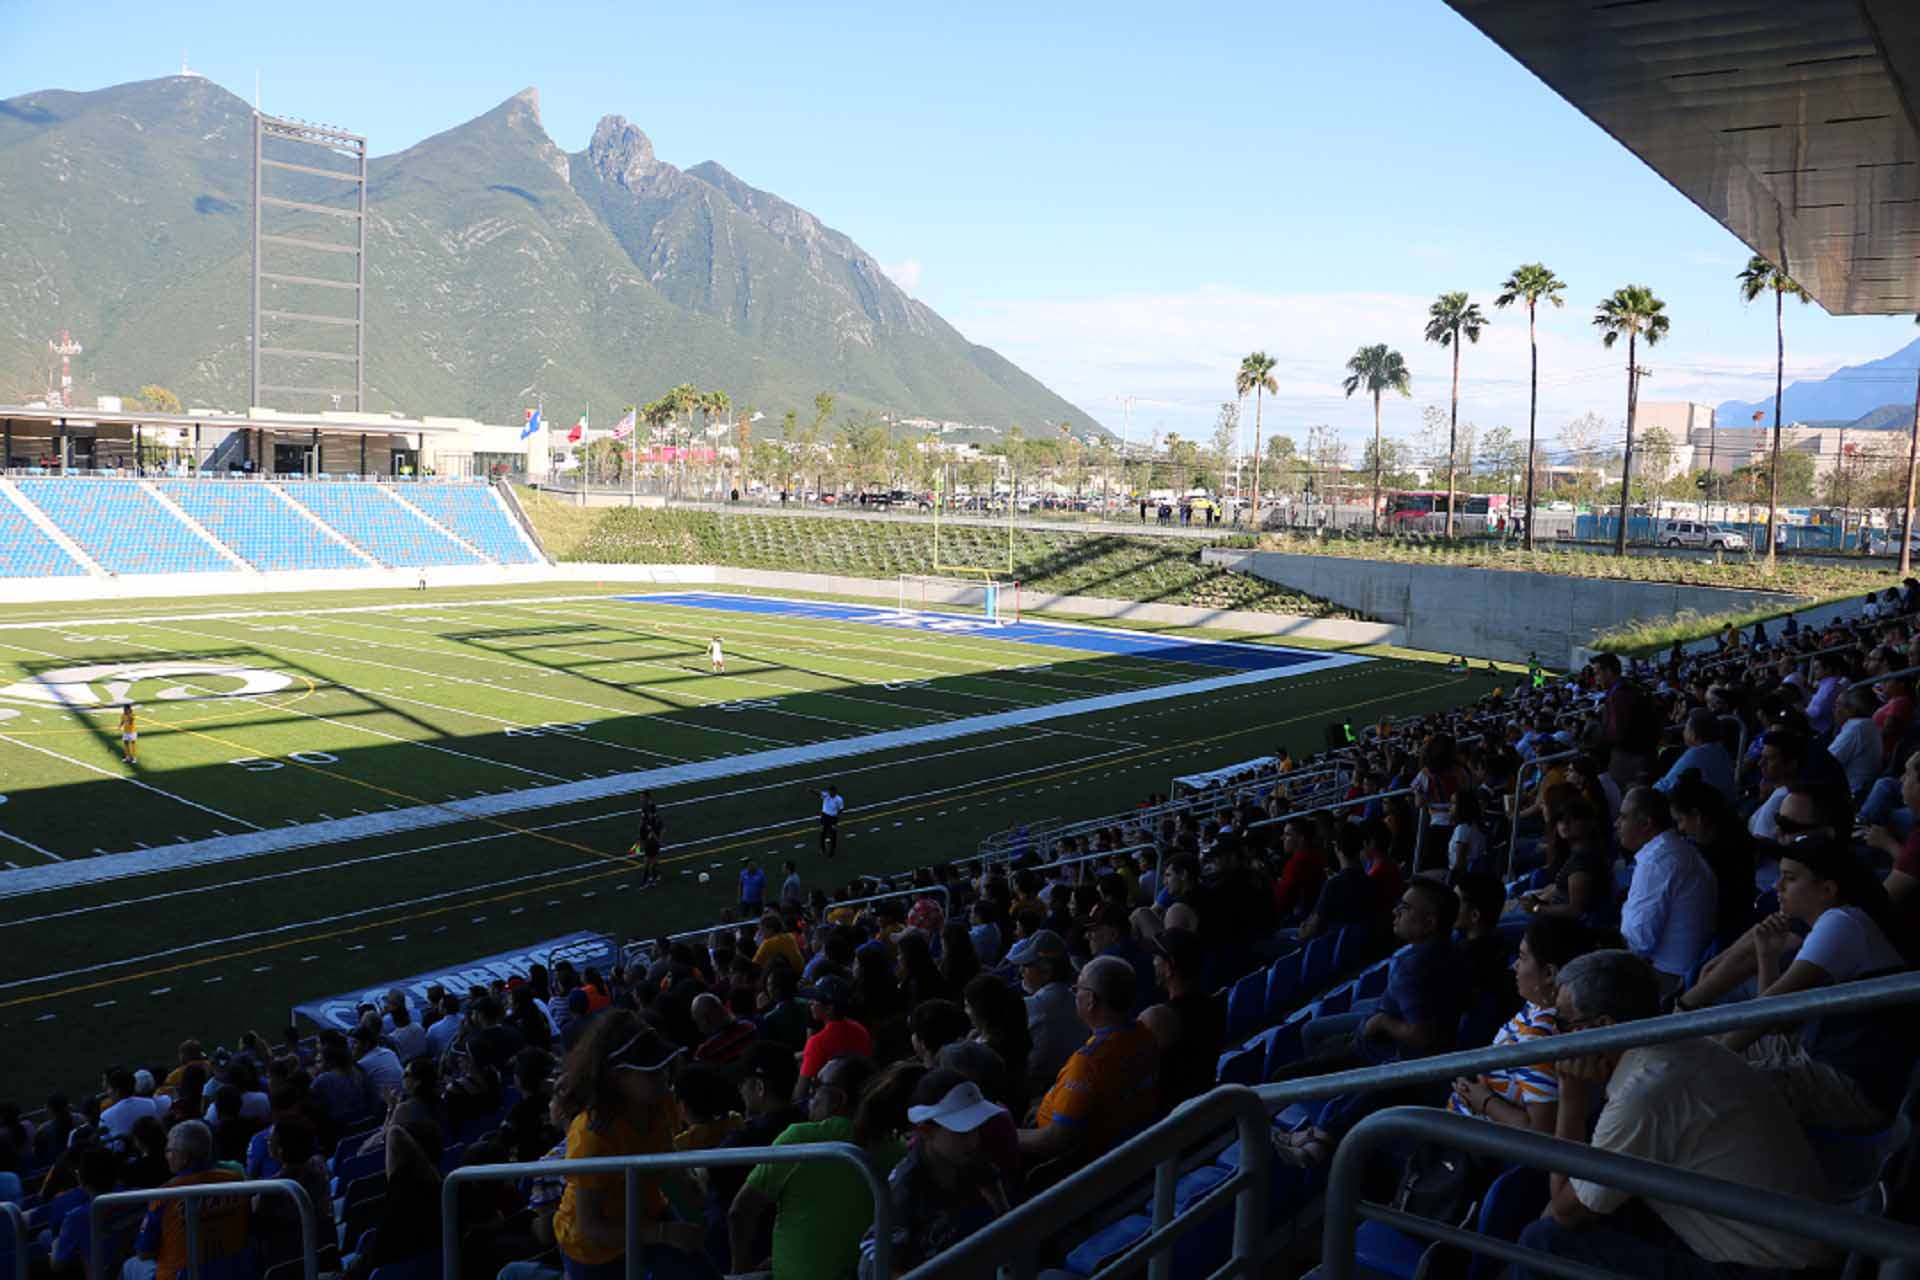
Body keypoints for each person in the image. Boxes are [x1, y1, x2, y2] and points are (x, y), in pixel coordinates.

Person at [1518, 951, 1834, 1279]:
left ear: (1603, 1027)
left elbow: (1565, 1211)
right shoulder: (1683, 1044)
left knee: (1543, 1241)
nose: (1557, 1038)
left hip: (1771, 1269)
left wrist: (1571, 1095)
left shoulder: (1642, 1094)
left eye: (1564, 1024)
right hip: (1806, 1241)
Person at [550, 1014, 707, 1280]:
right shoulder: (592, 1135)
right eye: (651, 1070)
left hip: (648, 1213)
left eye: (664, 1066)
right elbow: (590, 1226)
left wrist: (694, 1192)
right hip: (593, 1249)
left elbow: (668, 1161)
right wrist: (663, 1233)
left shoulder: (662, 1102)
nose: (664, 1075)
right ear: (617, 1077)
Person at [730, 1054, 899, 1280]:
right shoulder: (897, 1148)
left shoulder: (802, 1140)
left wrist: (740, 1271)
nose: (810, 1095)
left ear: (838, 1099)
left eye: (817, 1087)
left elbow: (740, 1212)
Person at [859, 1071, 1013, 1280]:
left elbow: (1005, 1217)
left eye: (976, 1128)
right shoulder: (905, 1187)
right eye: (962, 1131)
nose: (974, 1140)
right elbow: (875, 1255)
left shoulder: (971, 1159)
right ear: (926, 1131)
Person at [1018, 956, 1160, 1181]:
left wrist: (1007, 1135)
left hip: (1077, 1168)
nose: (1075, 993)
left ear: (1091, 1000)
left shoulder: (1090, 1063)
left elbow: (1055, 1140)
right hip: (1127, 1148)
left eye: (1078, 989)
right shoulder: (1144, 1035)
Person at [1448, 916, 1593, 1133]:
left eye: (1523, 957)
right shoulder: (1537, 1006)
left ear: (1548, 974)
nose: (1515, 964)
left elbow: (1539, 1130)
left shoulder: (1538, 1036)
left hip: (1472, 1142)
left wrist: (1484, 1100)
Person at [1615, 786, 1717, 995]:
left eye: (1623, 817)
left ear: (1645, 824)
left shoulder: (1657, 862)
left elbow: (1638, 942)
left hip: (1668, 978)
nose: (1617, 824)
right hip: (1687, 968)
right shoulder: (1679, 849)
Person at [124, 1120, 248, 1280]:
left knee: (130, 1265)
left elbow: (144, 1252)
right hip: (233, 1271)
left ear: (184, 1157)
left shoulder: (165, 1195)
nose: (166, 1155)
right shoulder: (236, 1181)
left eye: (169, 1150)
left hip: (182, 1275)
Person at [1138, 928, 1226, 1109]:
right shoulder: (1214, 1005)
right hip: (1201, 1108)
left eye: (1157, 957)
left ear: (1170, 968)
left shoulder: (1158, 1018)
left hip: (1170, 1120)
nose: (1153, 962)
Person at [1006, 930, 1085, 1101]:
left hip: (1035, 1094)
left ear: (1046, 970)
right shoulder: (1077, 1000)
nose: (1021, 972)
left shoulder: (1034, 1005)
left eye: (1026, 966)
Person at [795, 976, 874, 1101]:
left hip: (829, 1106)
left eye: (815, 1000)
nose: (810, 1003)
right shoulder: (861, 1030)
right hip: (860, 1099)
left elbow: (800, 1093)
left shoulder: (817, 1042)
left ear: (829, 1009)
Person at [632, 792, 665, 888]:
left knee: (648, 861)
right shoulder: (647, 814)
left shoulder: (653, 821)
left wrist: (658, 840)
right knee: (651, 860)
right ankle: (655, 876)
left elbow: (657, 830)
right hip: (648, 839)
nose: (640, 799)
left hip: (652, 841)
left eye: (642, 797)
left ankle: (647, 881)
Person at [819, 785, 845, 858]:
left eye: (831, 791)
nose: (830, 793)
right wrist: (811, 790)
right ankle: (822, 849)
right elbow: (818, 793)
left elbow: (841, 809)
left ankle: (832, 851)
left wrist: (836, 815)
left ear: (835, 792)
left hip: (833, 818)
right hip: (824, 816)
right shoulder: (826, 795)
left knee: (833, 834)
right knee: (822, 833)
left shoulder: (839, 799)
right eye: (829, 791)